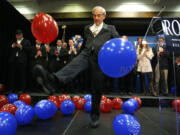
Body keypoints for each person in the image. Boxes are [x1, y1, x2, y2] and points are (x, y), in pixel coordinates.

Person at [33, 6, 119, 128]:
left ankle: (95, 116)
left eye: (99, 15)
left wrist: (109, 47)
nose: (96, 18)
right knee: (73, 66)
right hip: (86, 54)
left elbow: (118, 42)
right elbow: (85, 45)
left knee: (96, 87)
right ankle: (53, 80)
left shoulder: (110, 29)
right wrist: (77, 57)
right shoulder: (87, 28)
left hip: (100, 59)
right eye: (94, 15)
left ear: (104, 16)